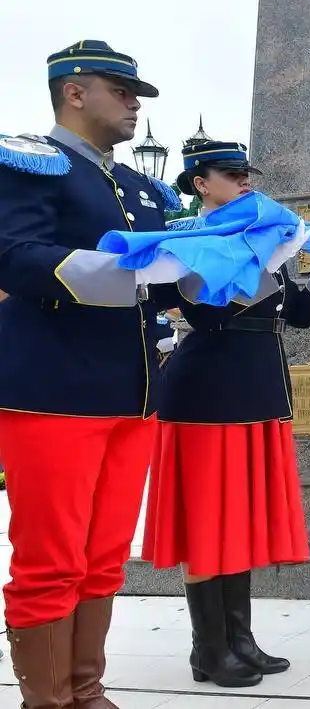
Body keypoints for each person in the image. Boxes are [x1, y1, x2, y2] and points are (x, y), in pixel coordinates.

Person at [0, 41, 188, 708]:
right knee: (49, 560)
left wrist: (221, 268)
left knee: (104, 556)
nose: (135, 103)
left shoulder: (141, 188)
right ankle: (47, 700)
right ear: (75, 92)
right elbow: (15, 257)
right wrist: (128, 270)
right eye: (123, 90)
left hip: (131, 394)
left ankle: (85, 690)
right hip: (53, 392)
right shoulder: (31, 163)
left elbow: (158, 291)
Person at [141, 135, 310, 688]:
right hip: (207, 396)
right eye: (228, 174)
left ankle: (240, 640)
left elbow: (299, 315)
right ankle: (209, 649)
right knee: (209, 520)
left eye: (245, 172)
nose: (243, 180)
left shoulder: (261, 233)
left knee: (239, 517)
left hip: (258, 391)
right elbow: (206, 315)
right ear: (200, 183)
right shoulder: (185, 240)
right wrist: (270, 253)